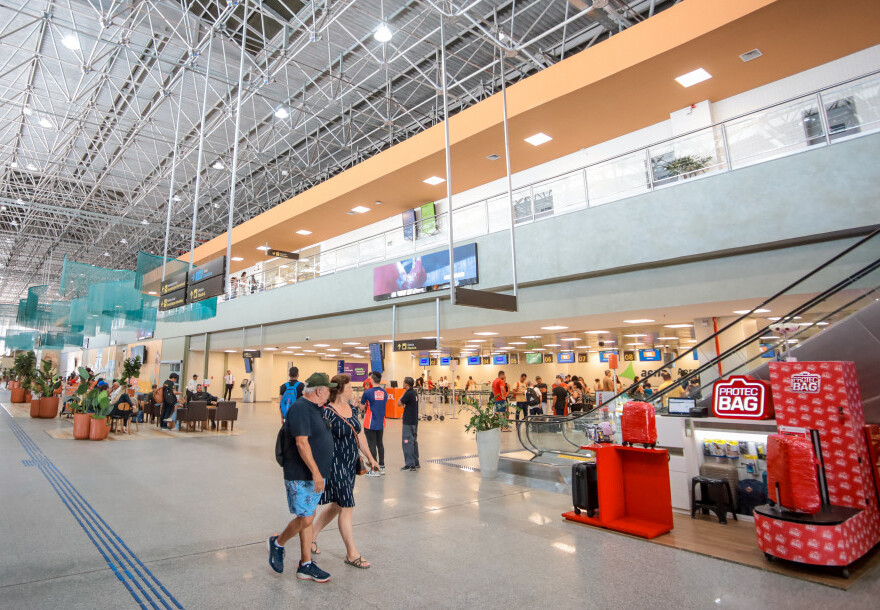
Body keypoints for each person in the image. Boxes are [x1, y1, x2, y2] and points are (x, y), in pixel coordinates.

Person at [268, 373, 337, 582]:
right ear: (319, 391)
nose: (329, 394)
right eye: (328, 390)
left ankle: (305, 564)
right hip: (301, 474)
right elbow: (301, 443)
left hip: (314, 474)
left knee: (308, 516)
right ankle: (278, 542)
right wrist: (316, 472)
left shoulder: (315, 409)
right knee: (306, 517)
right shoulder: (300, 409)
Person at [310, 374, 379, 568]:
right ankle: (351, 553)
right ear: (339, 390)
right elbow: (318, 440)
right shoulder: (328, 412)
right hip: (335, 464)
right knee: (347, 506)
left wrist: (371, 458)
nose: (352, 390)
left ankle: (311, 537)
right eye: (349, 387)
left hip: (350, 463)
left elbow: (359, 435)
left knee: (338, 505)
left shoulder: (350, 408)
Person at [360, 371, 387, 476]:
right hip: (381, 422)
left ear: (371, 380)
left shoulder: (367, 393)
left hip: (370, 423)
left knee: (371, 445)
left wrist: (358, 403)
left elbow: (362, 407)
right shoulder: (384, 392)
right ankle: (382, 466)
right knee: (380, 444)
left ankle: (374, 469)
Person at [398, 376, 420, 471]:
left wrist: (404, 392)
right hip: (414, 421)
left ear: (406, 384)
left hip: (408, 422)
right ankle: (416, 462)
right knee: (414, 441)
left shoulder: (408, 393)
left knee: (407, 442)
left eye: (403, 382)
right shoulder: (414, 392)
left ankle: (410, 464)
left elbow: (399, 402)